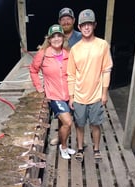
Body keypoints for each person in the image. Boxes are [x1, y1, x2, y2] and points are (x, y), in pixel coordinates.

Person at [67, 9, 113, 162]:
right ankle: (80, 148)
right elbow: (71, 75)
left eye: (89, 24)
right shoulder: (75, 49)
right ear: (79, 27)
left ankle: (96, 149)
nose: (86, 28)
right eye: (83, 25)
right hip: (79, 95)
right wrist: (71, 96)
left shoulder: (102, 45)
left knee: (95, 124)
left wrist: (104, 93)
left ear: (94, 25)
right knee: (79, 124)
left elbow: (106, 70)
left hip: (96, 95)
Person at [29, 24, 75, 159]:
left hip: (69, 94)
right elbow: (33, 70)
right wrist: (39, 87)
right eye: (53, 36)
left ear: (63, 37)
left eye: (59, 35)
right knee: (68, 122)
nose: (56, 39)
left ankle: (61, 141)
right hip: (54, 95)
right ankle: (64, 147)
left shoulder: (69, 53)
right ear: (48, 39)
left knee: (63, 122)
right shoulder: (42, 54)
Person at [50, 7, 82, 146]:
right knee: (61, 114)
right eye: (63, 19)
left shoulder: (81, 37)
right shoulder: (56, 37)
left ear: (74, 21)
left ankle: (79, 140)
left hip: (78, 81)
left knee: (79, 113)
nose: (66, 21)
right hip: (60, 84)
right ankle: (60, 137)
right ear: (59, 22)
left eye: (69, 18)